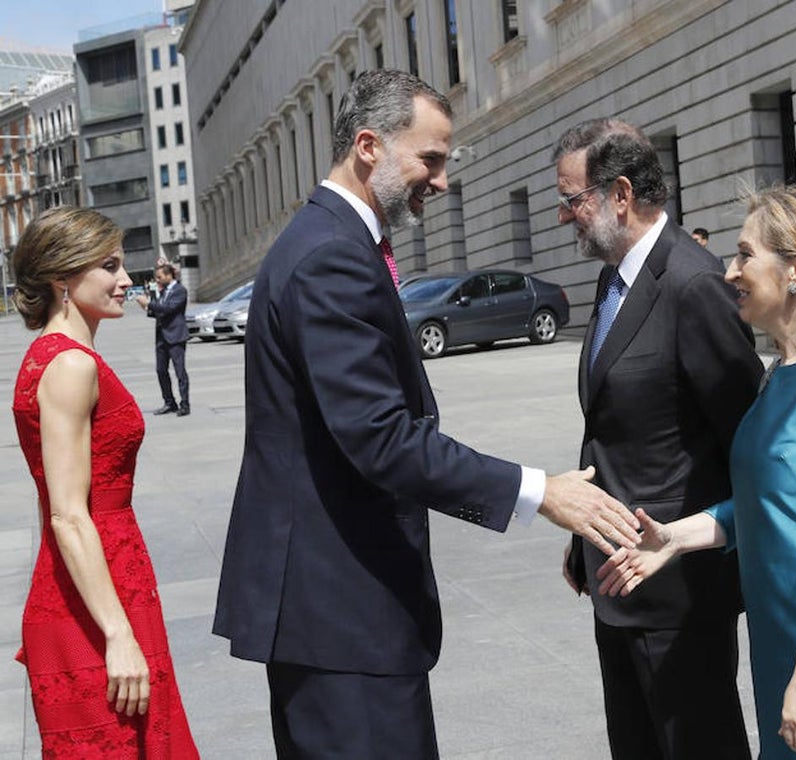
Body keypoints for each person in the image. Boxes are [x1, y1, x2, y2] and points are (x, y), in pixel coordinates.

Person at [212, 70, 640, 759]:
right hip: (339, 610)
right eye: (431, 159)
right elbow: (379, 437)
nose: (440, 181)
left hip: (334, 609)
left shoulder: (331, 241)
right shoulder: (330, 257)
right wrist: (539, 492)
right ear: (368, 146)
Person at [598, 186, 796, 760]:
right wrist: (675, 540)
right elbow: (768, 499)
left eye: (744, 255)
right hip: (778, 639)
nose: (730, 271)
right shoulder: (780, 375)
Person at [554, 118, 764, 760]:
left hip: (677, 592)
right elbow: (613, 424)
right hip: (615, 576)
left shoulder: (693, 282)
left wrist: (696, 541)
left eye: (573, 200)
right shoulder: (614, 276)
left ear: (620, 194)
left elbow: (745, 439)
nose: (566, 217)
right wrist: (582, 533)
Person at [10, 207, 199, 758]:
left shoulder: (51, 356)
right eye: (110, 266)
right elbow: (68, 513)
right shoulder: (71, 366)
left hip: (98, 579)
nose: (126, 280)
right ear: (61, 279)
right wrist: (117, 634)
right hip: (96, 594)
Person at [137, 263, 190, 416]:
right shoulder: (164, 291)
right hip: (161, 336)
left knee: (180, 371)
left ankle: (185, 404)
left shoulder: (180, 290)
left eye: (160, 277)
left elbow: (169, 309)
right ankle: (169, 402)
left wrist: (149, 304)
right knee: (161, 370)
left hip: (176, 336)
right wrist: (147, 308)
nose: (157, 280)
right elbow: (160, 312)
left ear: (169, 275)